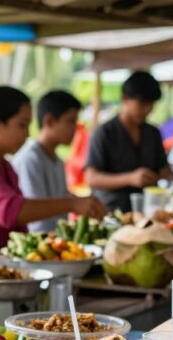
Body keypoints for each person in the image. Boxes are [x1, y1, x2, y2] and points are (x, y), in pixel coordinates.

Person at [0, 86, 105, 250]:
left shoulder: (3, 164)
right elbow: (12, 212)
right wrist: (71, 204)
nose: (27, 134)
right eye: (22, 125)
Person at [11, 89, 106, 233]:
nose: (75, 128)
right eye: (70, 121)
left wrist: (85, 203)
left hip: (58, 239)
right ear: (49, 121)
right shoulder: (30, 159)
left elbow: (59, 197)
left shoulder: (57, 160)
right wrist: (72, 204)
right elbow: (34, 211)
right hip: (38, 243)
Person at [85, 71, 173, 212]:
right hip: (110, 212)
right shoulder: (104, 133)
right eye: (142, 103)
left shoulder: (152, 133)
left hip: (147, 211)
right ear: (125, 98)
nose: (148, 109)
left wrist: (170, 177)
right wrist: (130, 178)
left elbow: (163, 169)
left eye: (151, 104)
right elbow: (91, 178)